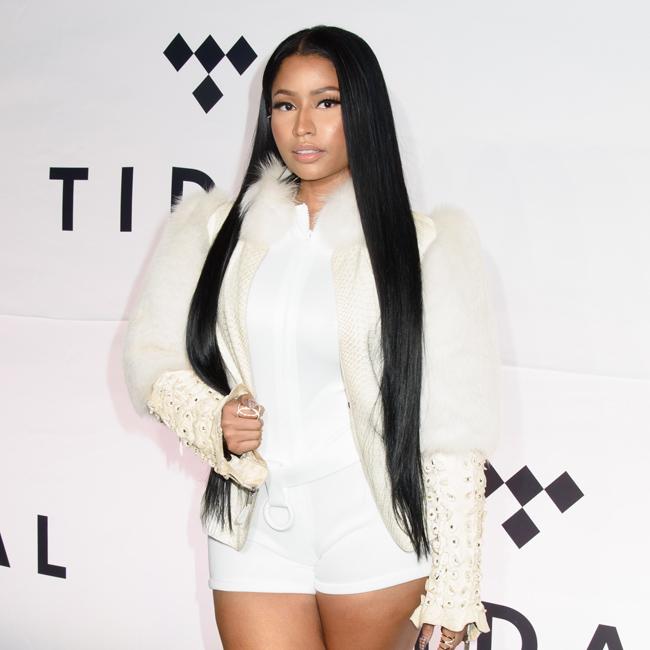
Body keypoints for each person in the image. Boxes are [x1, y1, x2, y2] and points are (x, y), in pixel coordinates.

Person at [123, 24, 501, 650]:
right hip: (250, 527)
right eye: (284, 104)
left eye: (327, 102)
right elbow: (152, 360)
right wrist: (213, 420)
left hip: (373, 527)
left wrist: (456, 587)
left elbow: (452, 431)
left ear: (364, 111)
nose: (303, 126)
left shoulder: (425, 246)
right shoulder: (213, 230)